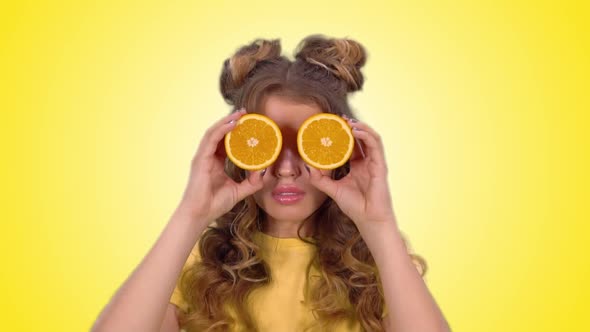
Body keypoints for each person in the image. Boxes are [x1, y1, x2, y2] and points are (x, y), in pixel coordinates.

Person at [91, 34, 451, 332]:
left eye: (308, 145)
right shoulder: (200, 266)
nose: (286, 168)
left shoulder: (378, 269)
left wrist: (380, 224)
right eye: (268, 143)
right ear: (237, 150)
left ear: (341, 151)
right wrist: (191, 212)